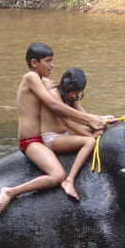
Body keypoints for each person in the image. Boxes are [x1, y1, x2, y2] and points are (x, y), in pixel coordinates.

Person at [0, 42, 107, 216]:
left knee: (93, 130)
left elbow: (63, 102)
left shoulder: (45, 81)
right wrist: (90, 119)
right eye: (47, 61)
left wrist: (97, 119)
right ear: (34, 63)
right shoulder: (30, 78)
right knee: (57, 176)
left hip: (44, 137)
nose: (52, 65)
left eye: (52, 60)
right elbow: (54, 105)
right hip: (31, 142)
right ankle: (11, 192)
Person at [40, 67, 111, 201]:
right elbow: (68, 123)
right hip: (53, 138)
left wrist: (102, 119)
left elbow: (85, 116)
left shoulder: (71, 97)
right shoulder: (54, 95)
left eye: (77, 92)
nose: (74, 95)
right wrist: (90, 136)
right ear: (67, 86)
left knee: (100, 127)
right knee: (90, 142)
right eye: (73, 91)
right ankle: (70, 180)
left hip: (66, 133)